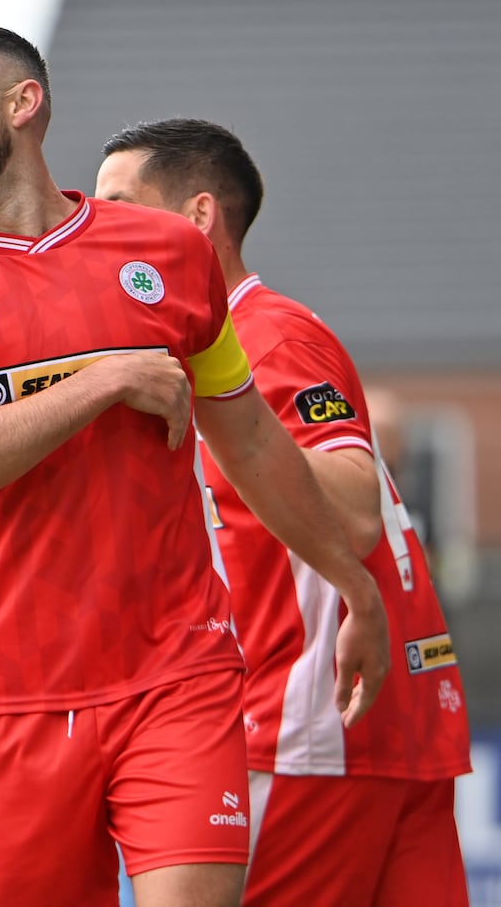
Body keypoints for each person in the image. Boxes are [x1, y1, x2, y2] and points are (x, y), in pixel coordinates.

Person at [0, 25, 390, 907]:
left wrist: (353, 585)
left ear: (24, 103)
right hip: (11, 699)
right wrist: (103, 379)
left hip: (178, 675)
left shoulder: (171, 257)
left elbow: (250, 439)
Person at [95, 117, 472, 907]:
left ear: (199, 218)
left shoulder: (260, 337)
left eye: (120, 205)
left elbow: (354, 506)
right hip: (380, 728)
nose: (99, 230)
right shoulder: (231, 343)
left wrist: (239, 431)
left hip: (307, 731)